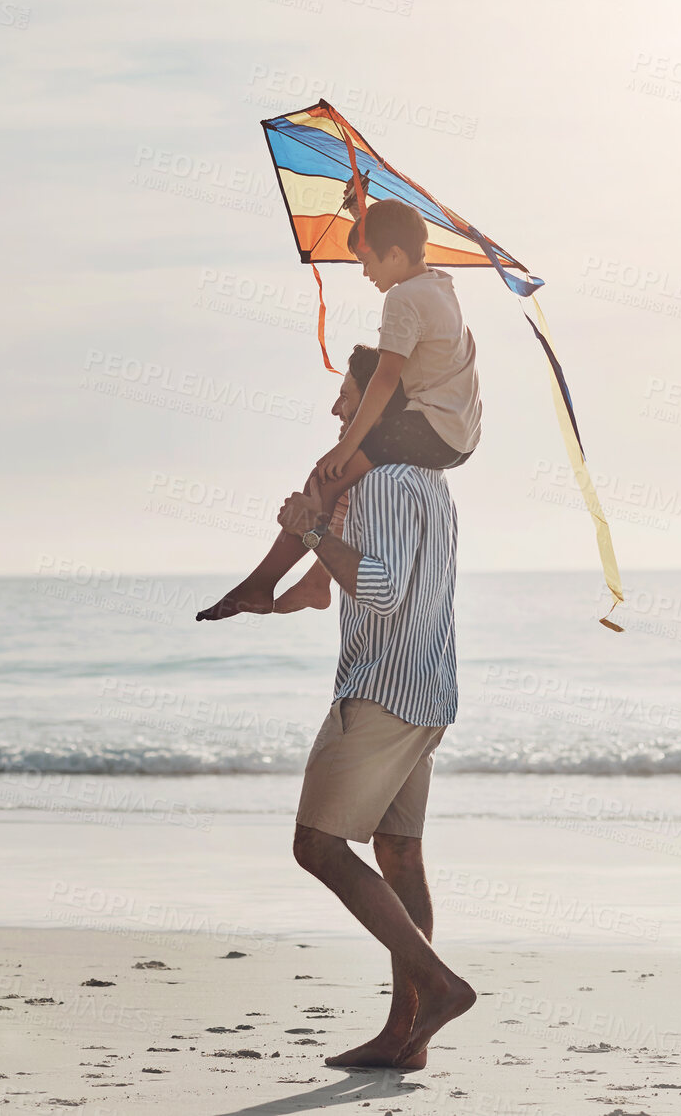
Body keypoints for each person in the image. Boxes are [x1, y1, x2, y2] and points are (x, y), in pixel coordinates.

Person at [276, 364, 475, 1070]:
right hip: (428, 690)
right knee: (397, 854)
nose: (336, 406)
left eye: (348, 395)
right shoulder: (431, 483)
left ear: (379, 403)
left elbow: (383, 590)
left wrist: (309, 534)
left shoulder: (385, 481)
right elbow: (357, 587)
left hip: (382, 691)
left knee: (317, 846)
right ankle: (404, 1035)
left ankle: (440, 986)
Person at [198, 197, 483, 621]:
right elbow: (395, 240)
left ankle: (271, 584)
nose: (364, 272)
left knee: (326, 476)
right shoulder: (438, 284)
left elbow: (385, 379)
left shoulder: (402, 298)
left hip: (429, 429)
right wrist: (361, 214)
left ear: (395, 254)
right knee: (338, 483)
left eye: (366, 261)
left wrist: (345, 448)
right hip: (459, 437)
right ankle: (310, 580)